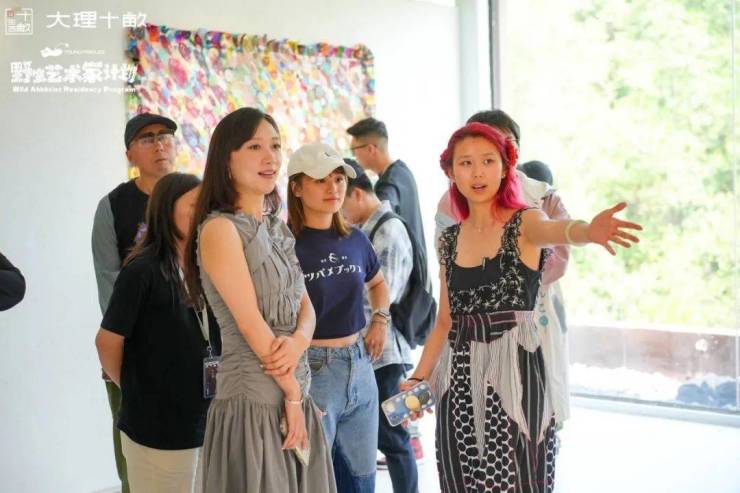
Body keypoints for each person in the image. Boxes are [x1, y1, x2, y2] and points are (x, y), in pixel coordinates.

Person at [406, 122, 641, 492]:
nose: (478, 172)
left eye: (488, 161)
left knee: (516, 476)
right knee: (460, 476)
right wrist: (418, 378)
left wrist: (588, 232)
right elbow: (445, 322)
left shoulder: (526, 222)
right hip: (458, 377)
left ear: (506, 168)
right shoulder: (449, 240)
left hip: (515, 371)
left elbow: (561, 231)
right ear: (451, 172)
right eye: (466, 163)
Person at [184, 108, 335, 492]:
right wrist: (292, 394)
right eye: (255, 147)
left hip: (296, 390)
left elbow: (305, 305)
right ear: (227, 159)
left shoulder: (277, 226)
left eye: (276, 146)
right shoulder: (219, 229)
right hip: (252, 402)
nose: (270, 157)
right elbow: (250, 324)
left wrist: (299, 343)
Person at [435, 110, 572, 425]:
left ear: (513, 152)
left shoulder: (543, 196)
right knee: (479, 414)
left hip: (534, 315)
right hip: (472, 325)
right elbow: (450, 264)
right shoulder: (450, 203)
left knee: (536, 411)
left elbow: (560, 255)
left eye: (500, 146)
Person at [95, 173, 218, 493]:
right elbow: (107, 341)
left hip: (205, 422)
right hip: (156, 429)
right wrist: (137, 389)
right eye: (194, 204)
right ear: (166, 209)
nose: (202, 212)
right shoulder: (142, 270)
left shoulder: (206, 265)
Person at [287, 143, 391, 493]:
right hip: (312, 370)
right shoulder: (286, 246)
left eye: (339, 179)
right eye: (320, 180)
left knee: (362, 479)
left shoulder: (356, 238)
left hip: (360, 365)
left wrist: (380, 320)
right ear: (297, 188)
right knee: (314, 479)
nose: (333, 188)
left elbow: (378, 283)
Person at [91, 112, 178, 493]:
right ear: (130, 154)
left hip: (193, 347)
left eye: (165, 135)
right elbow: (109, 283)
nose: (159, 144)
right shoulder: (113, 206)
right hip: (134, 348)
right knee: (134, 452)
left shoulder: (197, 197)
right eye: (147, 138)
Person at [341, 159, 418, 493]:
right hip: (371, 352)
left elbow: (385, 295)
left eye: (341, 202)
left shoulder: (387, 230)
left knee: (394, 439)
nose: (340, 213)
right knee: (383, 437)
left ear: (357, 194)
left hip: (384, 354)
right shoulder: (367, 230)